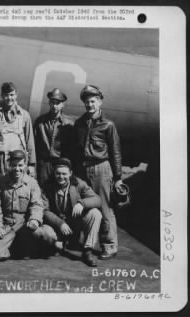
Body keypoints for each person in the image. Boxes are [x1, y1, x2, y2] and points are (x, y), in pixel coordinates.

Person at [74, 85, 123, 260]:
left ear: (100, 102)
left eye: (93, 101)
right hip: (83, 169)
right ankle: (83, 241)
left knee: (105, 207)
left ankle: (109, 245)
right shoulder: (79, 124)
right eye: (87, 102)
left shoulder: (108, 125)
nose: (90, 104)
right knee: (85, 204)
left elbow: (115, 152)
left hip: (102, 169)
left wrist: (117, 179)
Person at [40, 158, 102, 267]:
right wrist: (60, 223)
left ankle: (87, 250)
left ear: (70, 173)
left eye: (64, 174)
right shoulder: (46, 186)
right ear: (53, 173)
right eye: (58, 173)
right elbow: (44, 210)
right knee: (46, 235)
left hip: (74, 223)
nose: (61, 177)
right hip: (56, 225)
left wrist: (82, 203)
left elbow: (97, 200)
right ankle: (57, 243)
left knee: (95, 213)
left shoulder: (79, 184)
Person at [0, 150, 48, 261]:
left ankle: (29, 247)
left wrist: (34, 220)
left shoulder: (32, 183)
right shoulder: (1, 182)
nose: (17, 169)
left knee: (48, 236)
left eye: (20, 165)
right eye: (13, 165)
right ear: (9, 165)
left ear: (25, 165)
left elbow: (36, 204)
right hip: (8, 226)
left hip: (25, 225)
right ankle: (19, 248)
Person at [0, 82, 36, 178]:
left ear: (16, 95)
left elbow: (30, 140)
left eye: (12, 95)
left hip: (18, 160)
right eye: (6, 95)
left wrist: (31, 164)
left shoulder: (24, 115)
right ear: (2, 96)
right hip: (1, 159)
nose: (9, 98)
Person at [34, 88, 75, 186]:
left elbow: (72, 148)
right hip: (44, 164)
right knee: (43, 190)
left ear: (63, 104)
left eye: (58, 103)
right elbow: (34, 144)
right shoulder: (40, 121)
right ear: (49, 103)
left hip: (61, 165)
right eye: (52, 102)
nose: (55, 106)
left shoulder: (69, 123)